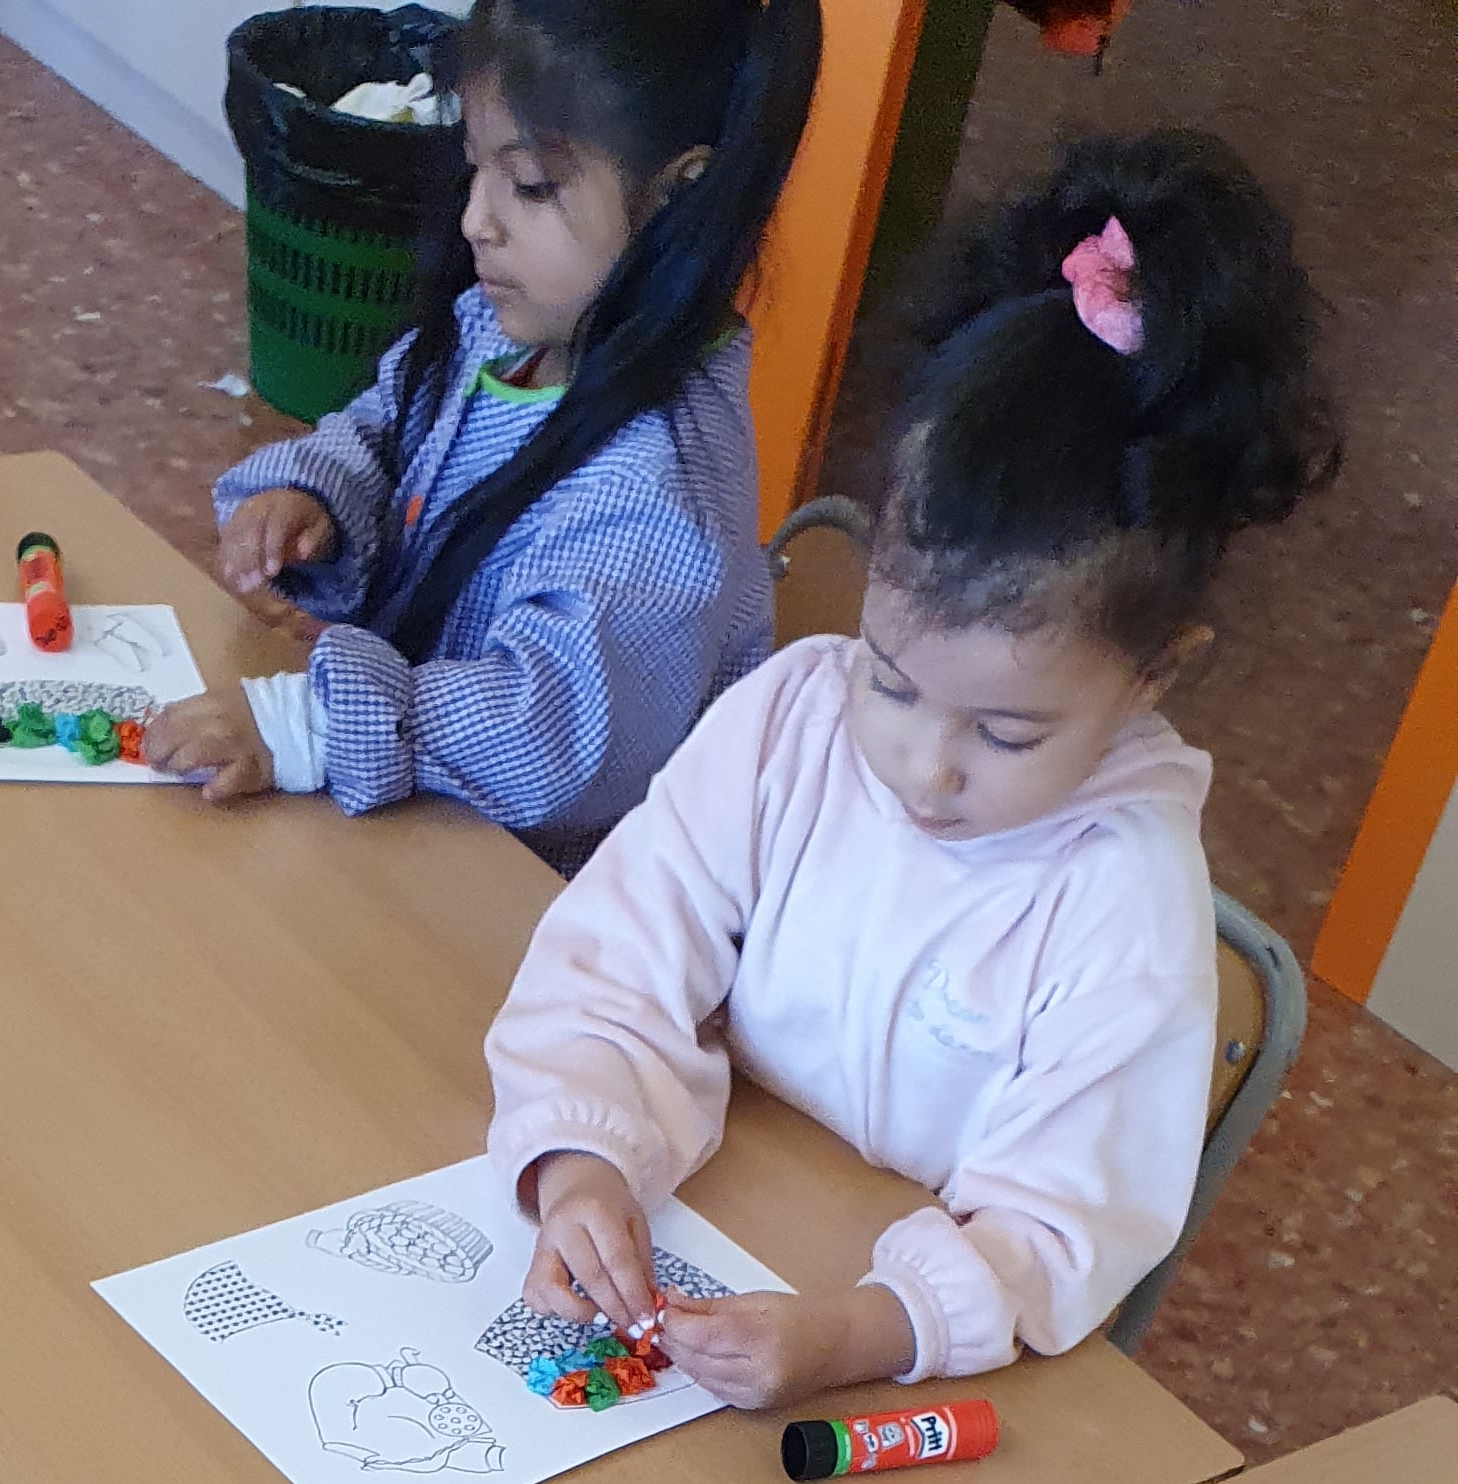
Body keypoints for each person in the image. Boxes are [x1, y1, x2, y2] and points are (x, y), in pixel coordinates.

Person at [484, 128, 1340, 1405]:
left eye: (1004, 734)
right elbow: (612, 962)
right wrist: (583, 1161)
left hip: (891, 1343)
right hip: (741, 1212)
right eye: (888, 677)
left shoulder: (1117, 898)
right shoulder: (789, 722)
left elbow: (1055, 1231)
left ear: (1152, 675)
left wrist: (861, 1333)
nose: (920, 769)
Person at [141, 0, 819, 867]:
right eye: (475, 169)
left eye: (529, 185)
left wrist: (304, 724)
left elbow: (547, 731)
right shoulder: (509, 333)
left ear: (678, 195)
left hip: (514, 894)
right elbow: (387, 428)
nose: (475, 221)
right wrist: (318, 498)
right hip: (395, 825)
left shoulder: (658, 501)